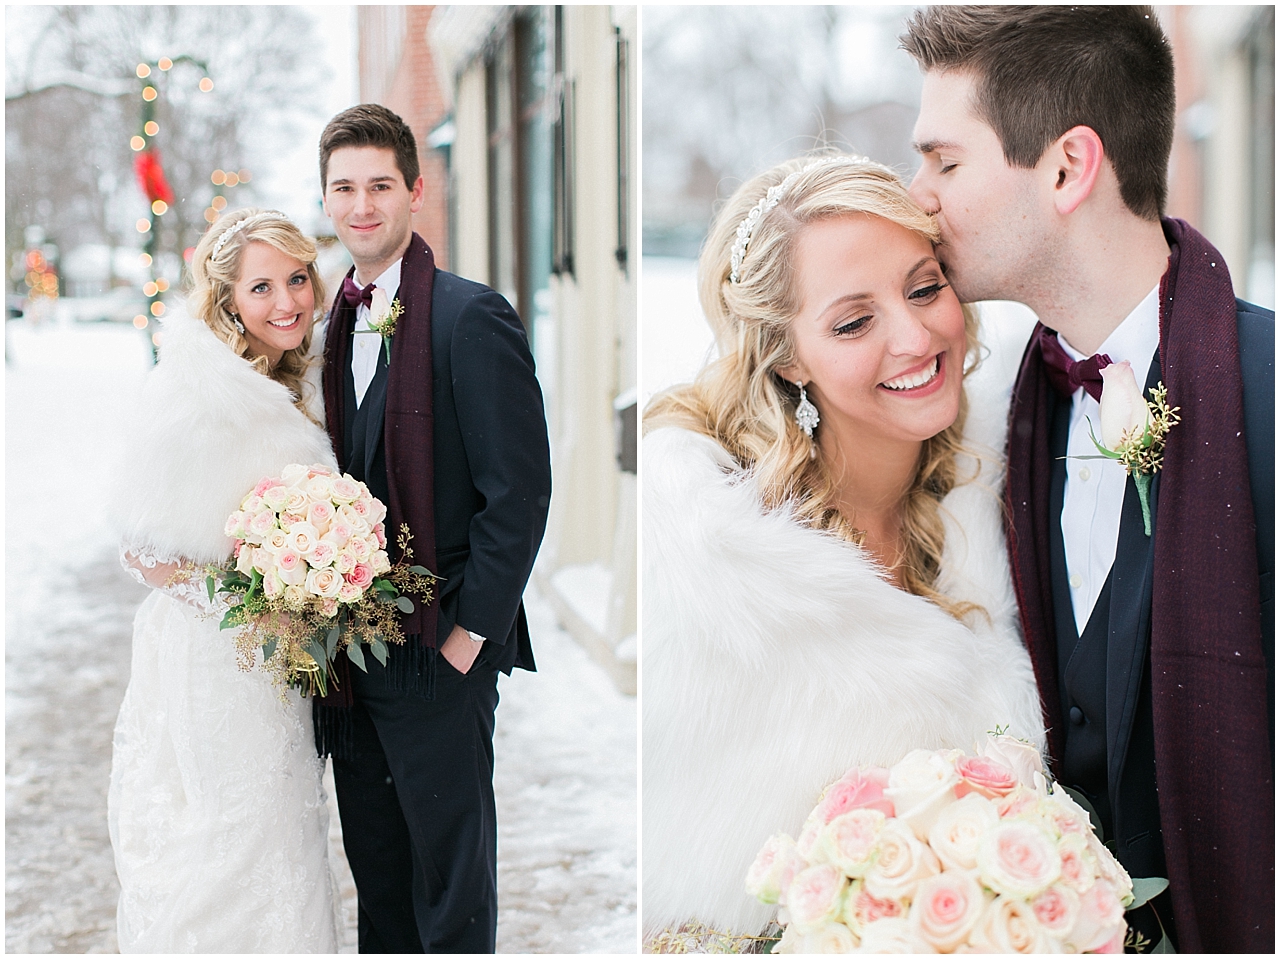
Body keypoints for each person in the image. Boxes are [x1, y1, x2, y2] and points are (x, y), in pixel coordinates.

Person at [903, 6, 1274, 953]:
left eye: (945, 162)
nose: (918, 196)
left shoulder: (1266, 392)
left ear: (1069, 167)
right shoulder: (981, 425)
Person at [642, 153, 1045, 944]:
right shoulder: (717, 570)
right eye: (854, 321)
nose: (916, 335)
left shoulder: (1013, 483)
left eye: (925, 287)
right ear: (787, 356)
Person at [314, 104, 552, 954]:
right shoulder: (331, 326)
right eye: (344, 188)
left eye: (380, 184)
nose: (362, 205)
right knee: (378, 879)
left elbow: (518, 492)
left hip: (439, 648)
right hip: (352, 660)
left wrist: (468, 636)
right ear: (327, 200)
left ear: (415, 190)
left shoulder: (468, 315)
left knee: (450, 890)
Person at [109, 209, 340, 952]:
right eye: (262, 286)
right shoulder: (194, 394)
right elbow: (139, 547)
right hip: (211, 661)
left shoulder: (299, 378)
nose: (286, 302)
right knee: (219, 842)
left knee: (284, 836)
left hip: (276, 672)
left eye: (297, 278)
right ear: (228, 301)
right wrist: (250, 598)